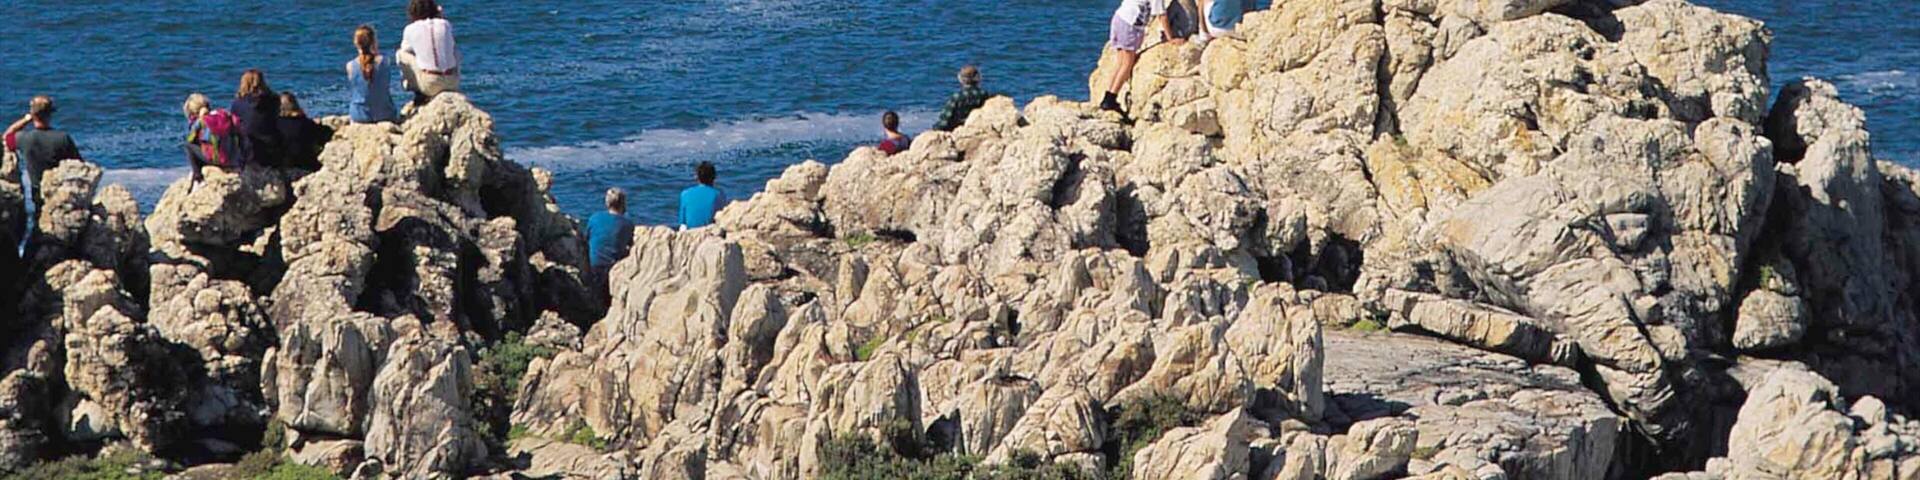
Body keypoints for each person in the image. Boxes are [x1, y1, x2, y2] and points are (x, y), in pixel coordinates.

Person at [4, 96, 80, 253]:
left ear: (33, 115)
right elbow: (79, 165)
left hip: (38, 192)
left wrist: (25, 120)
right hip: (60, 194)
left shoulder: (24, 139)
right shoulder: (62, 138)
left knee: (40, 225)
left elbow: (6, 137)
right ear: (50, 114)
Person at [1101, 0, 1183, 114]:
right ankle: (1111, 99)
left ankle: (1108, 96)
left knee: (1120, 63)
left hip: (1119, 19)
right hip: (1130, 26)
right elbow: (1162, 16)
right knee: (1127, 64)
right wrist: (1171, 38)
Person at [398, 0, 462, 103]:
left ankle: (413, 87)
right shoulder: (446, 24)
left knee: (401, 54)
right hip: (452, 82)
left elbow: (406, 49)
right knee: (454, 49)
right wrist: (440, 16)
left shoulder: (410, 29)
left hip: (430, 85)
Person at [587, 188, 636, 295]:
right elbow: (630, 244)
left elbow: (587, 237)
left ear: (607, 203)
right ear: (623, 203)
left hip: (595, 264)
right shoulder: (627, 224)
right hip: (614, 267)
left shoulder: (594, 218)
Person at [347, 25, 399, 124]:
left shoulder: (350, 66)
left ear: (356, 43)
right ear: (373, 41)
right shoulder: (385, 61)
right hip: (385, 114)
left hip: (359, 115)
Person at [231, 69, 282, 167]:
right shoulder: (274, 100)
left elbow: (236, 124)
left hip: (249, 149)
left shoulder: (238, 103)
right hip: (273, 145)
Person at [276, 92, 334, 171]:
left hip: (282, 166)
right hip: (305, 166)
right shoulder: (305, 123)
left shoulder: (275, 125)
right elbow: (326, 134)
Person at [931, 66, 991, 132]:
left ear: (960, 79)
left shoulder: (957, 97)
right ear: (978, 78)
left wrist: (934, 129)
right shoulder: (984, 95)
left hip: (958, 129)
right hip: (976, 126)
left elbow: (945, 120)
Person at [678, 162, 728, 230]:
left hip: (690, 232)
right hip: (709, 232)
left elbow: (683, 222)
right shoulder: (719, 194)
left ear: (697, 177)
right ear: (714, 177)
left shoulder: (685, 194)